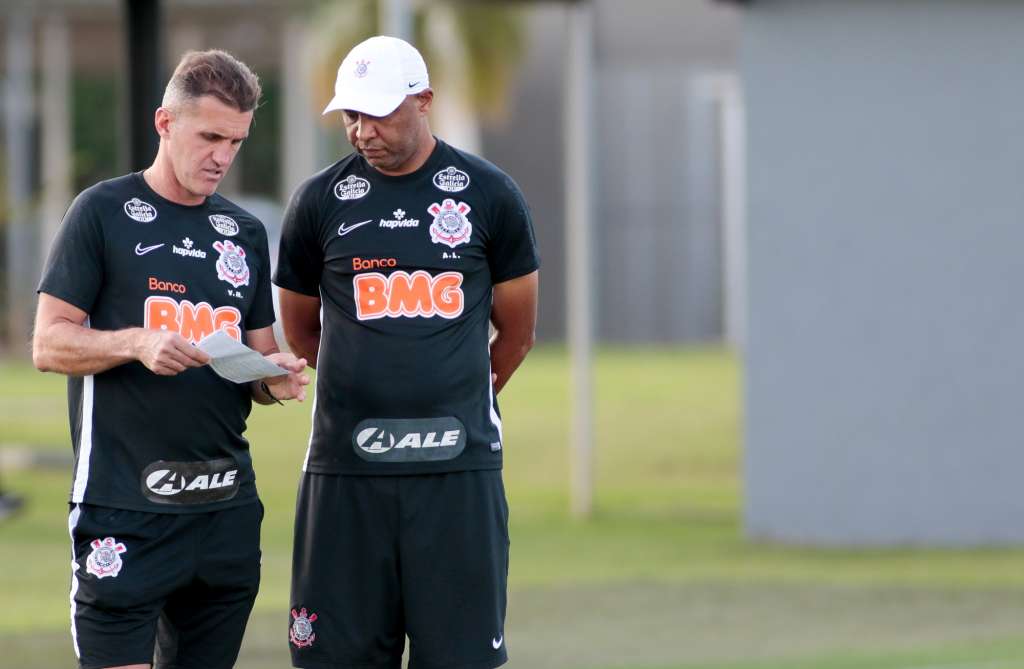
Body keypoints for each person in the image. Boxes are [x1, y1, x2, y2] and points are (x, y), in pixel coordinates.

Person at [32, 50, 309, 669]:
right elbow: (48, 343)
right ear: (164, 123)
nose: (222, 156)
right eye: (210, 136)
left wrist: (277, 377)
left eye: (235, 141)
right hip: (124, 511)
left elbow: (257, 358)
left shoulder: (241, 233)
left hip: (225, 512)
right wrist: (135, 342)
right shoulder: (101, 213)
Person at [275, 35, 539, 669]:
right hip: (345, 472)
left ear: (424, 101)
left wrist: (455, 388)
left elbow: (519, 332)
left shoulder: (489, 194)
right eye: (350, 115)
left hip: (457, 472)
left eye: (377, 112)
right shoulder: (318, 202)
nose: (361, 130)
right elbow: (301, 331)